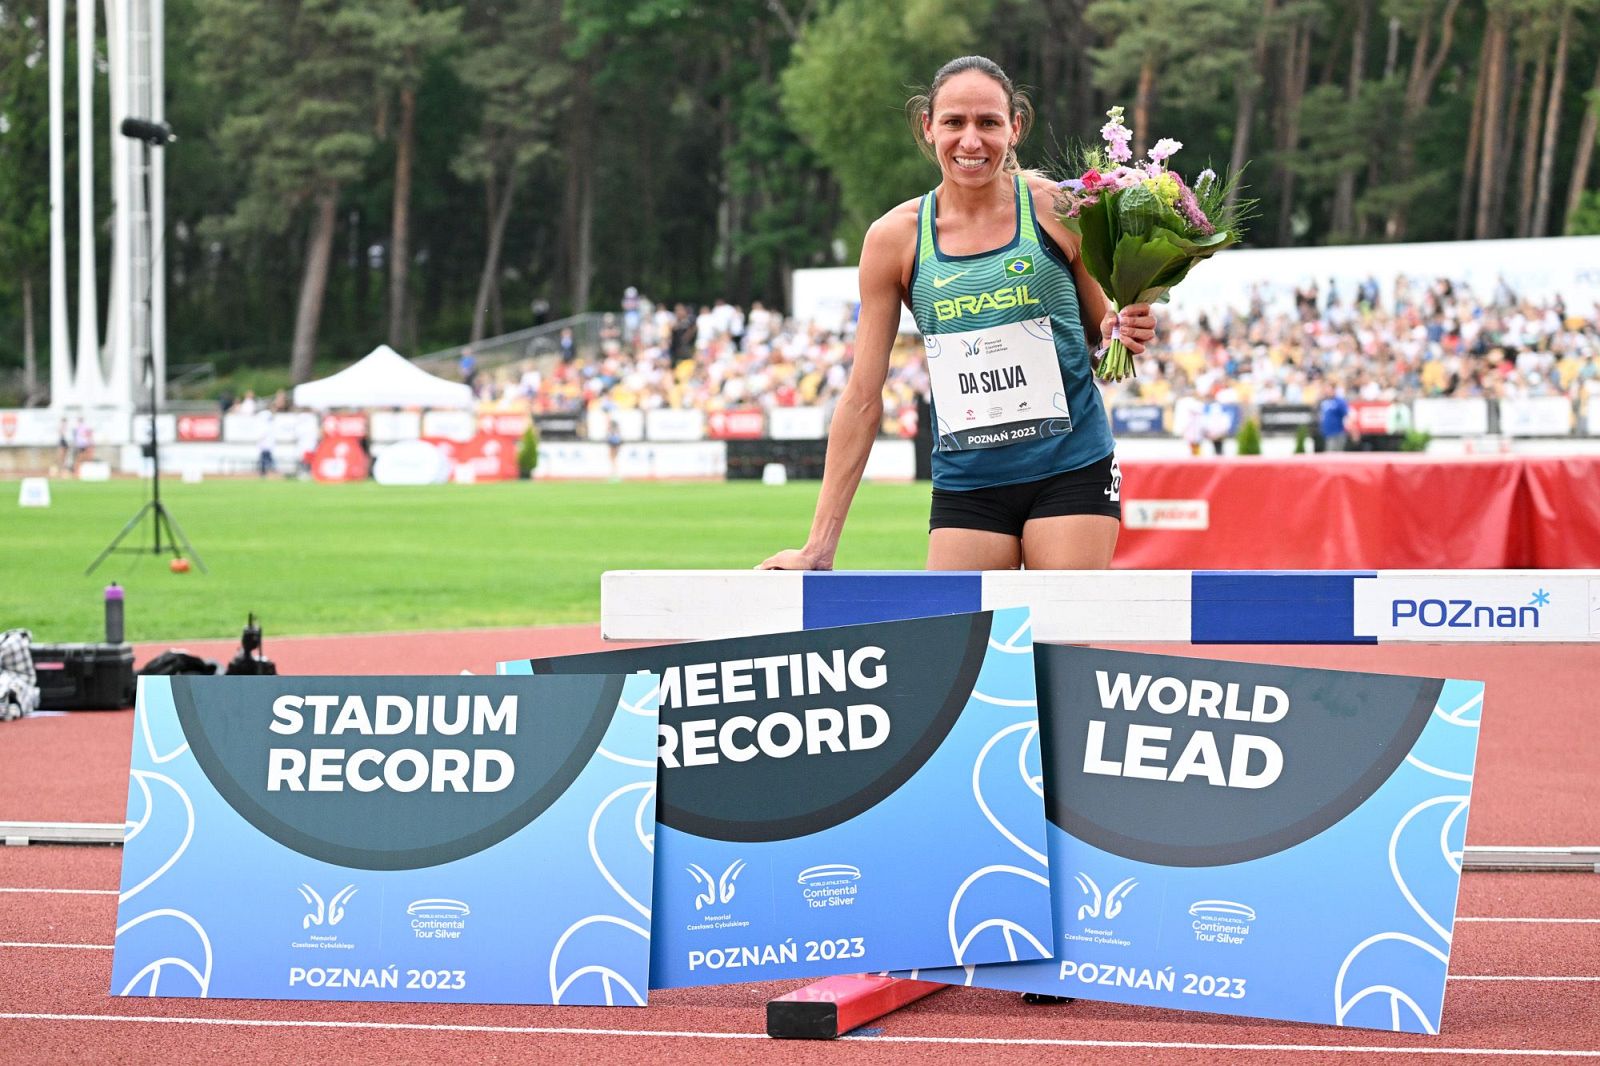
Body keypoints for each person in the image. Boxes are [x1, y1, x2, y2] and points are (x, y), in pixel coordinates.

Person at [761, 55, 1157, 574]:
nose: (971, 141)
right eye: (954, 122)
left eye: (988, 122)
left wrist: (1124, 328)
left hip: (1072, 468)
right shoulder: (894, 238)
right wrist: (819, 547)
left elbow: (1099, 329)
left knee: (1061, 646)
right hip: (968, 483)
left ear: (1014, 128)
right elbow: (861, 398)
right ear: (928, 127)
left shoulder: (1060, 209)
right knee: (963, 652)